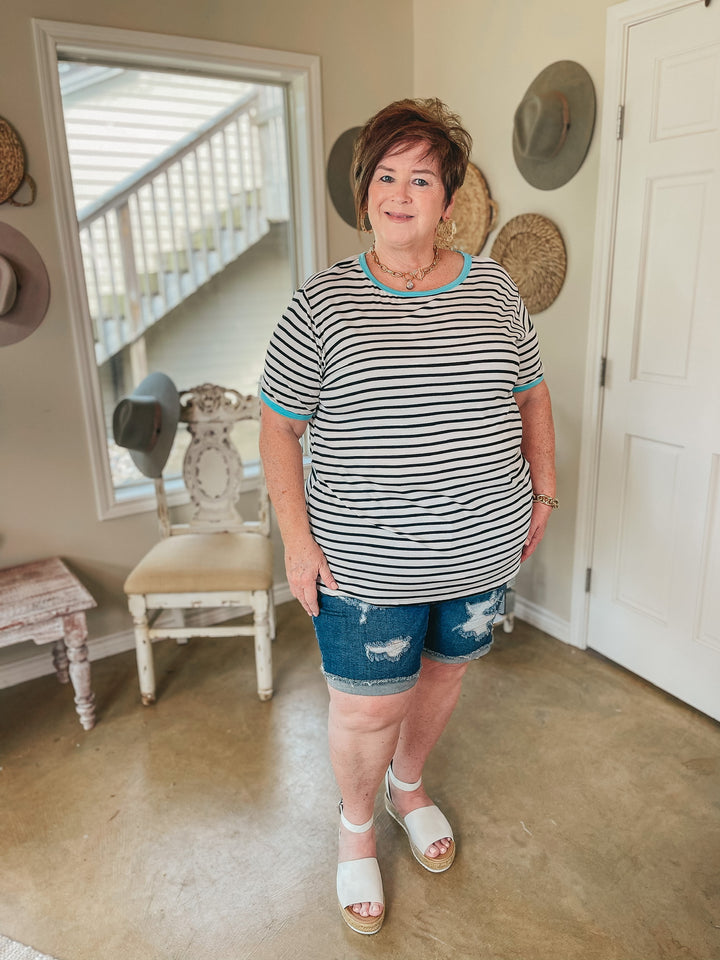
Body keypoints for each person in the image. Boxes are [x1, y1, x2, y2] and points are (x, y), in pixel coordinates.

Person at [259, 98, 556, 935]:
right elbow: (278, 426)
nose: (401, 193)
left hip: (480, 549)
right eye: (386, 176)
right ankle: (356, 826)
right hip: (365, 563)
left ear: (447, 199)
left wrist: (543, 490)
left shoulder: (494, 288)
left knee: (444, 676)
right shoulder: (321, 303)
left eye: (421, 178)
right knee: (365, 708)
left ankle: (408, 786)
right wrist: (297, 544)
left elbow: (531, 392)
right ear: (365, 196)